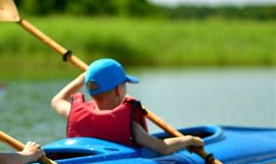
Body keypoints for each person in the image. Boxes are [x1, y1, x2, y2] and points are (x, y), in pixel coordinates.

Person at [51, 58, 204, 155]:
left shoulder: (75, 113)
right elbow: (162, 148)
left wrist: (82, 78)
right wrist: (189, 140)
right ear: (118, 89)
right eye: (124, 84)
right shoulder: (129, 125)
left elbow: (57, 100)